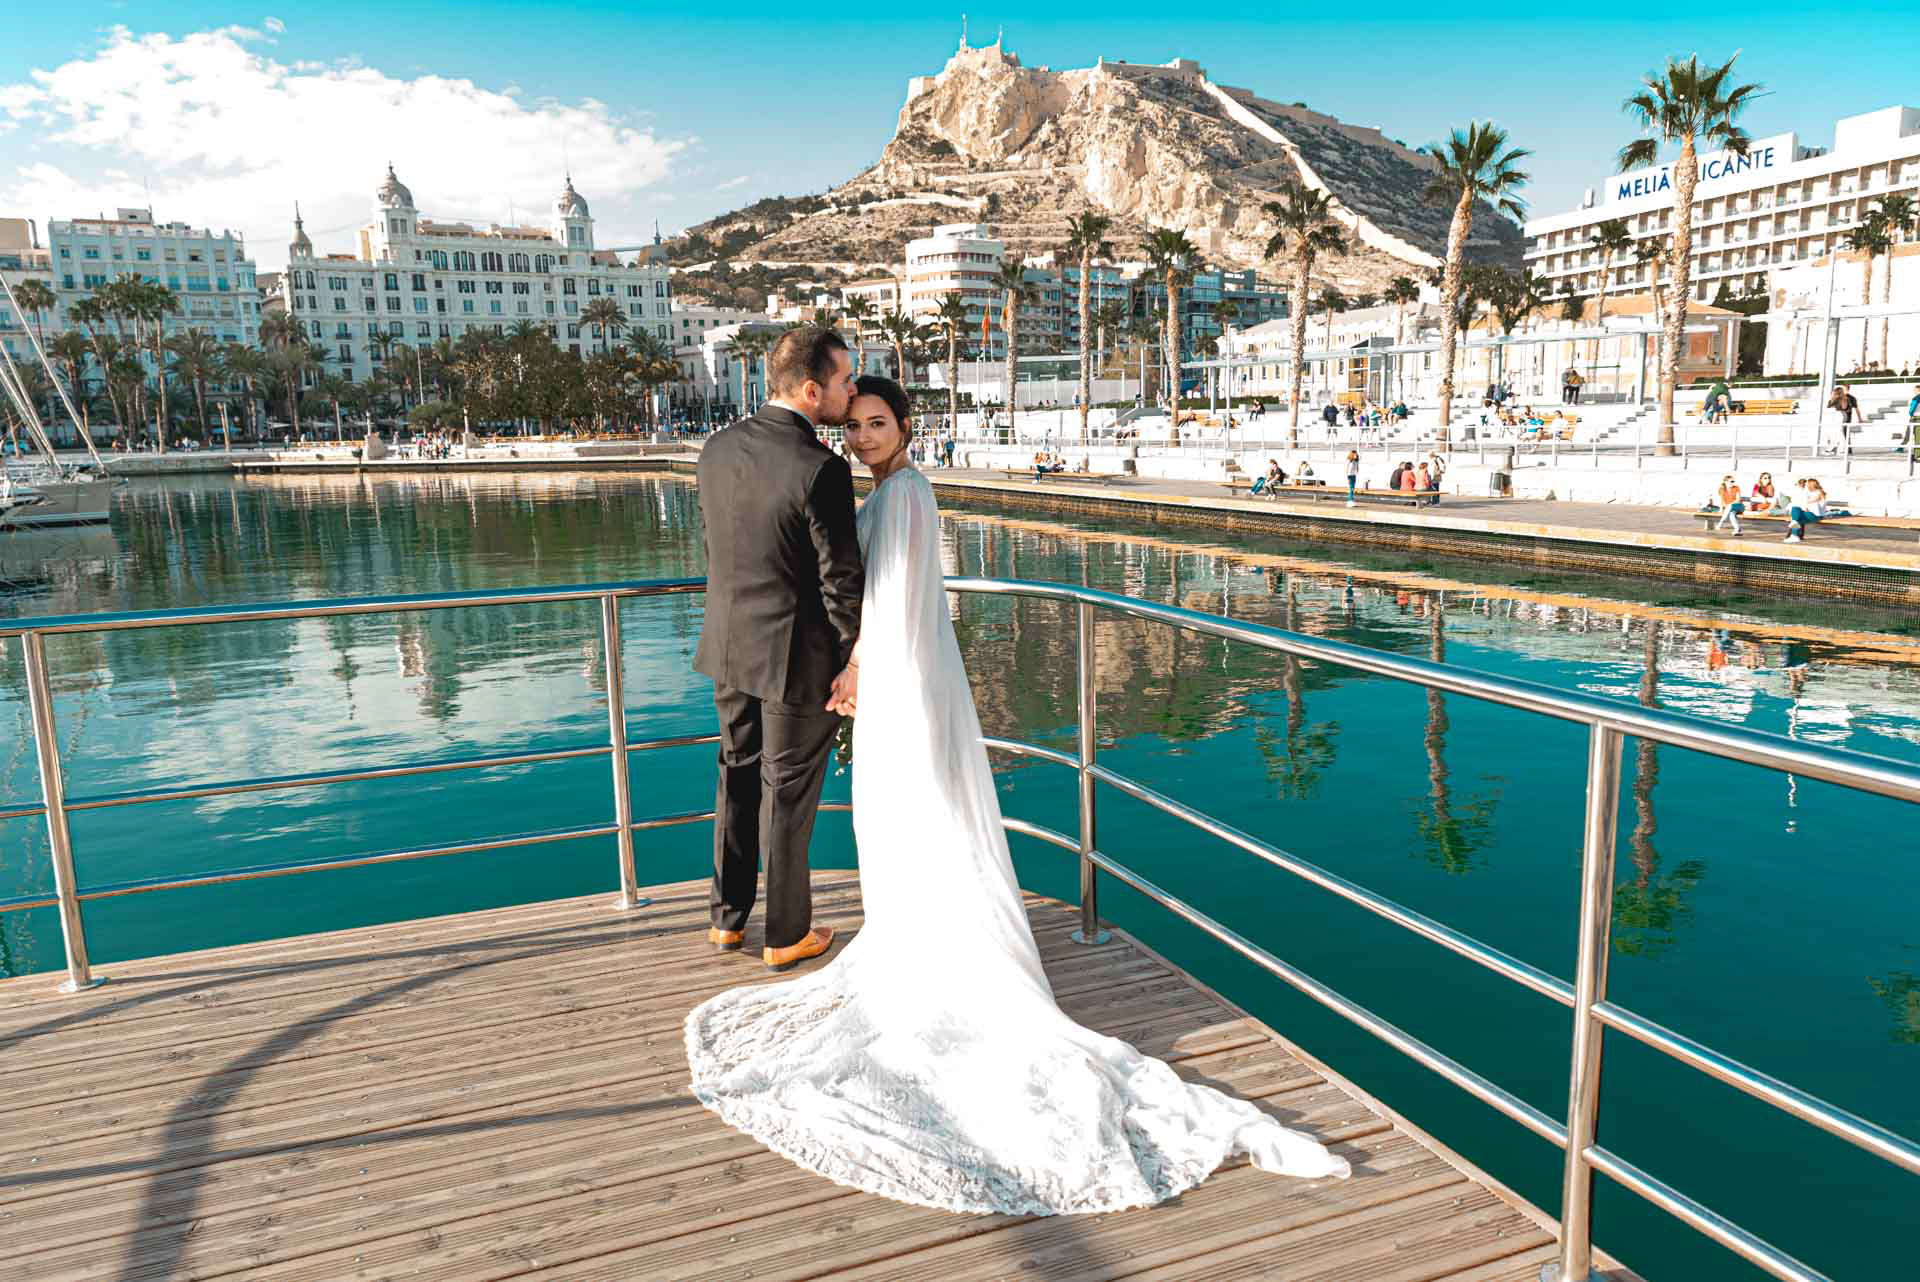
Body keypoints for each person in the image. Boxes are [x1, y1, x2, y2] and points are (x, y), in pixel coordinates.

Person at [685, 372, 1350, 1216]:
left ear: (907, 428)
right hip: (897, 686)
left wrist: (858, 673)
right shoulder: (890, 493)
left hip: (905, 689)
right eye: (853, 425)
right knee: (901, 829)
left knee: (910, 818)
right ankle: (914, 928)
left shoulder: (910, 497)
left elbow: (902, 609)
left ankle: (931, 944)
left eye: (876, 424)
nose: (860, 437)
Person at [693, 326, 863, 973]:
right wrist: (854, 663)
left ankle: (726, 919)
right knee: (785, 795)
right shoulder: (821, 469)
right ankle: (785, 934)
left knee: (736, 775)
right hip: (795, 661)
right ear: (814, 389)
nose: (850, 389)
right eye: (846, 379)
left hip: (729, 646)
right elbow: (841, 584)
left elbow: (717, 551)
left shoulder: (716, 449)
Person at [1784, 477, 1827, 544]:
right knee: (1795, 515)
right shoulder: (1810, 492)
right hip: (1809, 513)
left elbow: (1810, 501)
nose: (1806, 486)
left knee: (1795, 514)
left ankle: (1794, 536)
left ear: (1811, 485)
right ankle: (1795, 536)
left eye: (1807, 484)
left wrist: (1804, 504)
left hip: (1815, 515)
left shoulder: (1819, 492)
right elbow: (1803, 502)